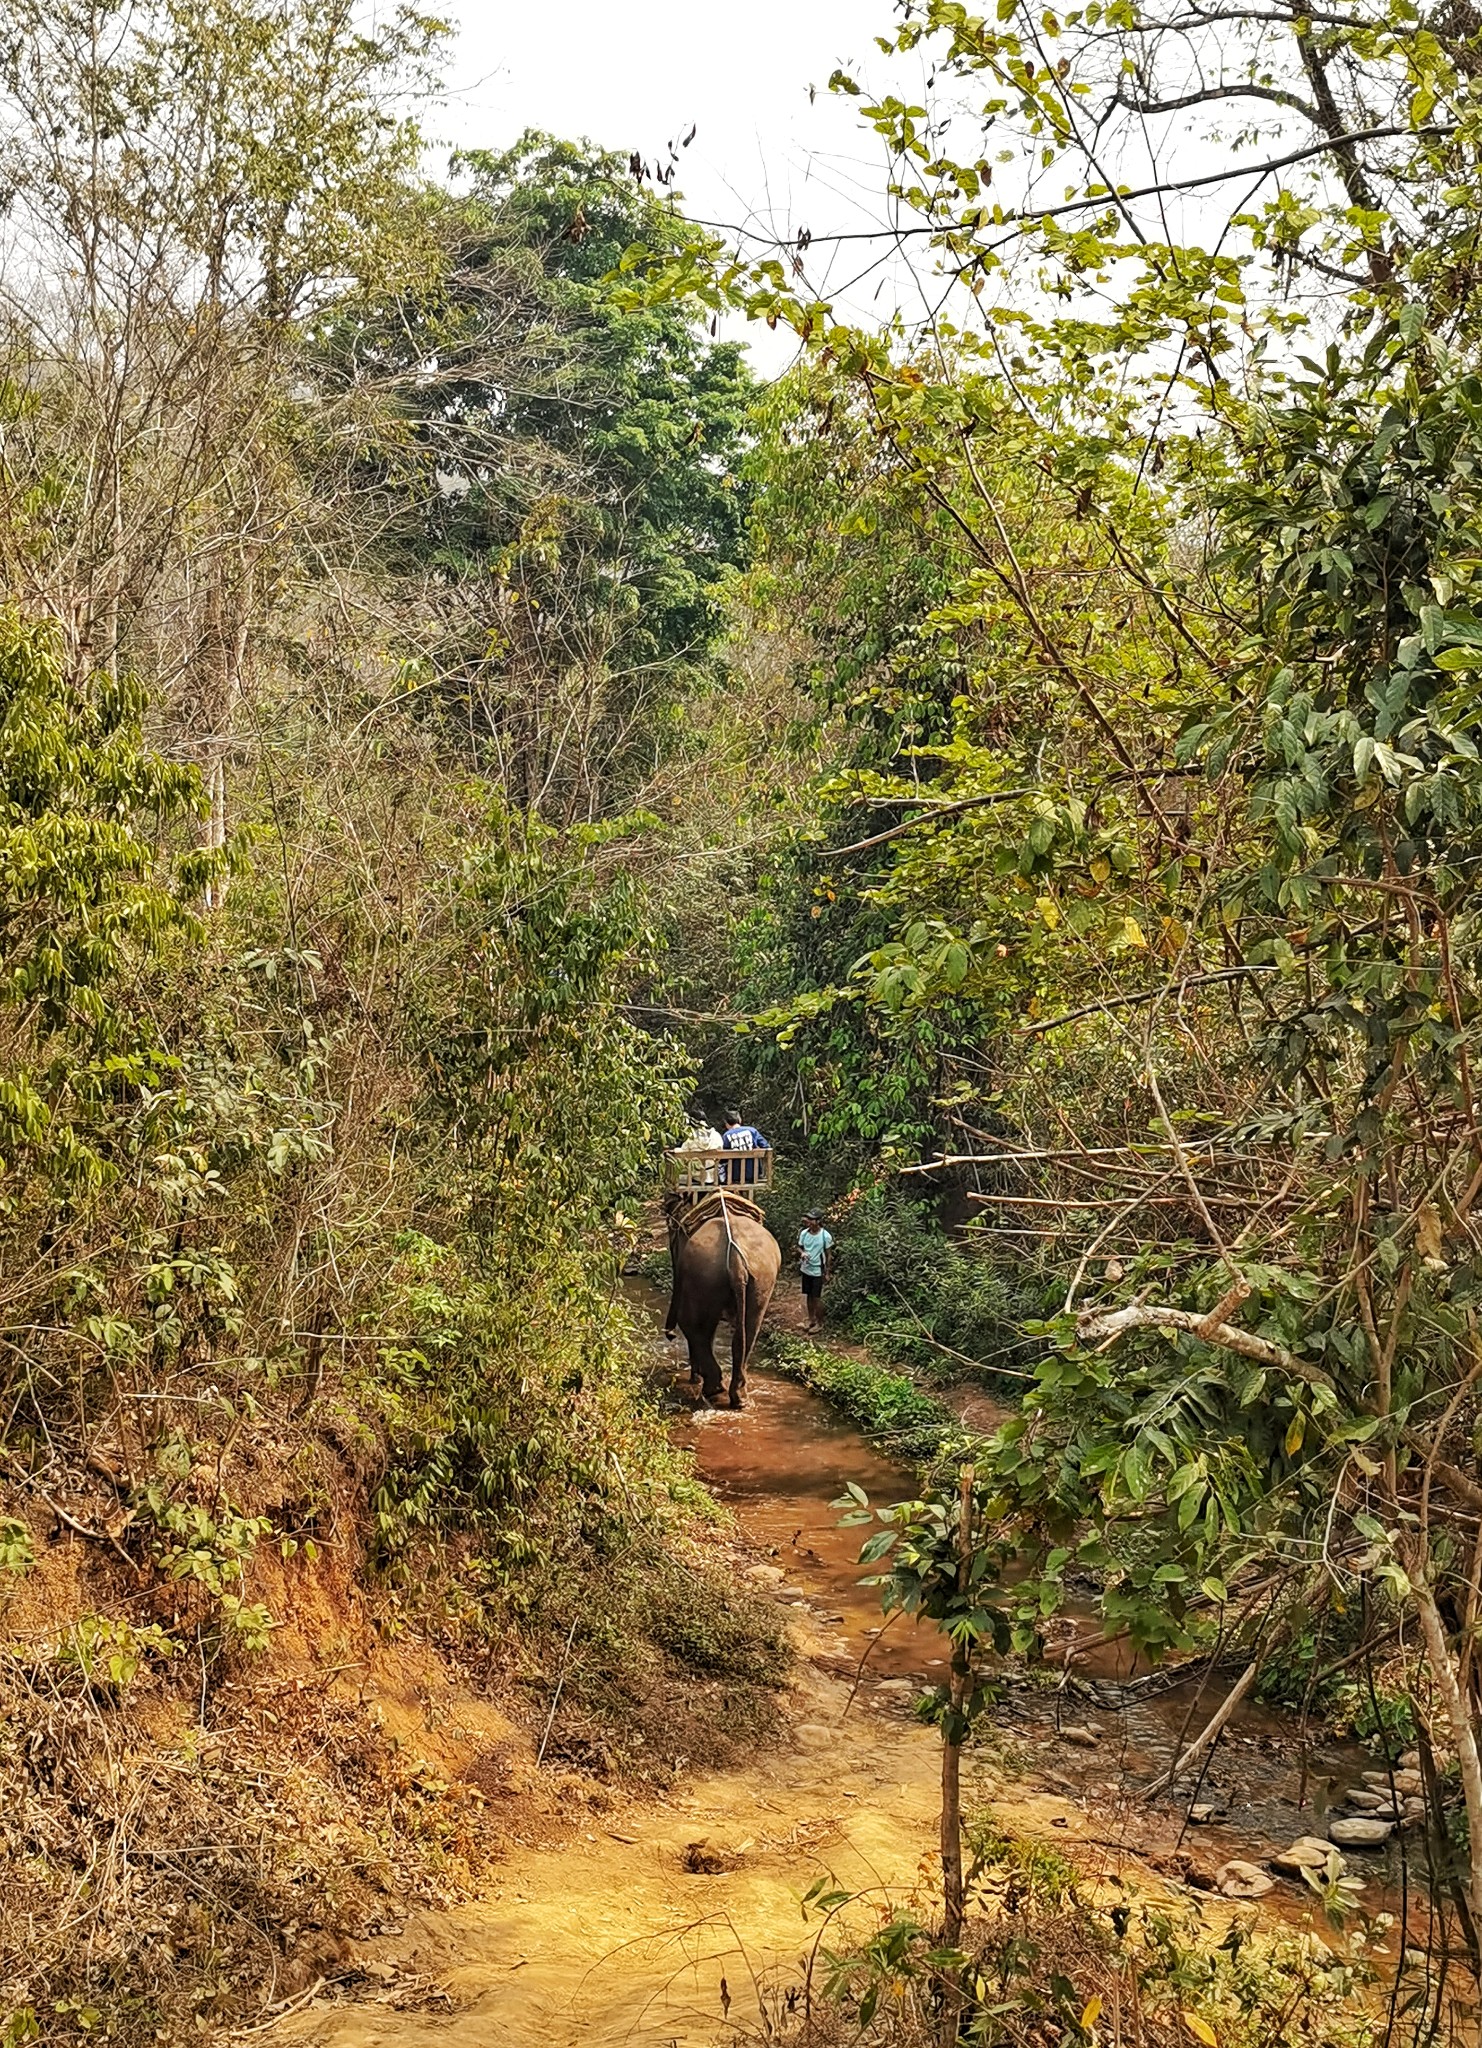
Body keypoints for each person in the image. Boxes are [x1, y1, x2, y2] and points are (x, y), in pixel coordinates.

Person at [797, 1210, 835, 1330]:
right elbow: (798, 1247)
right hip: (806, 1268)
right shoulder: (804, 1233)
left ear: (818, 1221)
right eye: (808, 1219)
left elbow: (829, 1254)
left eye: (812, 1219)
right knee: (808, 1295)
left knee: (816, 1297)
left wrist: (827, 1272)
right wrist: (802, 1253)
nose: (809, 1221)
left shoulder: (825, 1236)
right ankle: (811, 1319)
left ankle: (819, 1322)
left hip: (818, 1270)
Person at [720, 1109, 770, 1186]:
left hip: (734, 1176)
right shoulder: (752, 1131)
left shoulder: (726, 1136)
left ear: (726, 1123)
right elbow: (766, 1147)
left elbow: (723, 1159)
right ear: (739, 1120)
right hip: (754, 1174)